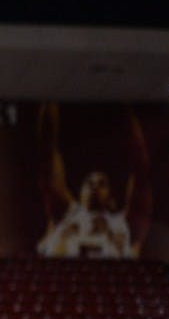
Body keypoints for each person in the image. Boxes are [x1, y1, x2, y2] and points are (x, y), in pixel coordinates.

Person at [36, 103, 151, 258]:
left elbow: (141, 171)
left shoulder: (124, 223)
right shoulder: (65, 213)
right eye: (89, 183)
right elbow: (47, 154)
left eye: (101, 183)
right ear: (79, 193)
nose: (94, 186)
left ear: (112, 198)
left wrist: (127, 110)